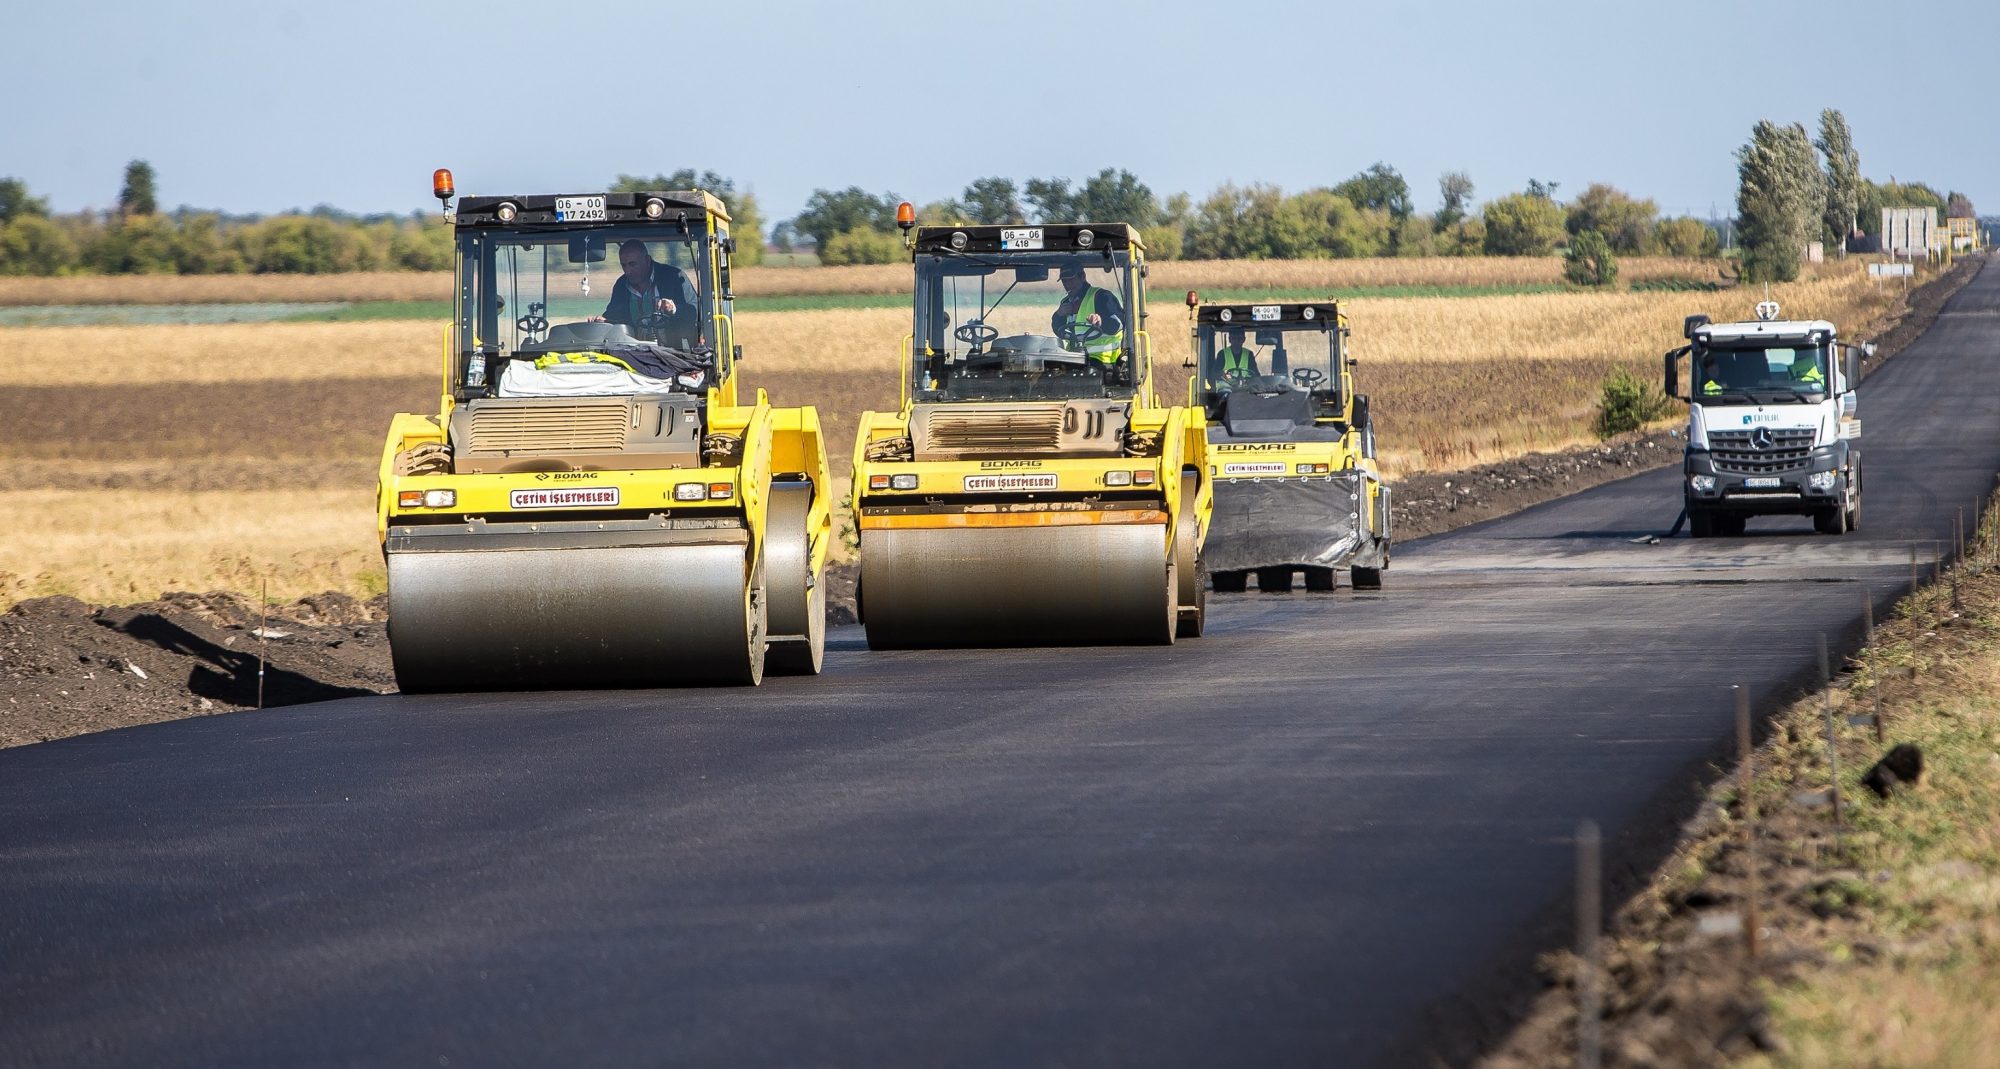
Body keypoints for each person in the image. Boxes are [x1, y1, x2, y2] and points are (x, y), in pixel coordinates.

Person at [591, 241, 700, 342]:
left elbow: (698, 312)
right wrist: (603, 322)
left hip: (676, 353)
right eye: (624, 265)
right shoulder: (621, 286)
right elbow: (614, 317)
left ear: (647, 260)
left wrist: (674, 309)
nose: (628, 271)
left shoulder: (674, 277)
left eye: (633, 264)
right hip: (635, 354)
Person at [1050, 260, 1125, 367]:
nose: (1067, 285)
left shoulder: (1102, 297)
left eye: (1071, 280)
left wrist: (1101, 321)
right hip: (1076, 359)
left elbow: (1117, 325)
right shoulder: (1066, 302)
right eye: (1064, 281)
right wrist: (1058, 315)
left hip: (1105, 361)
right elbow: (1060, 331)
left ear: (1082, 277)